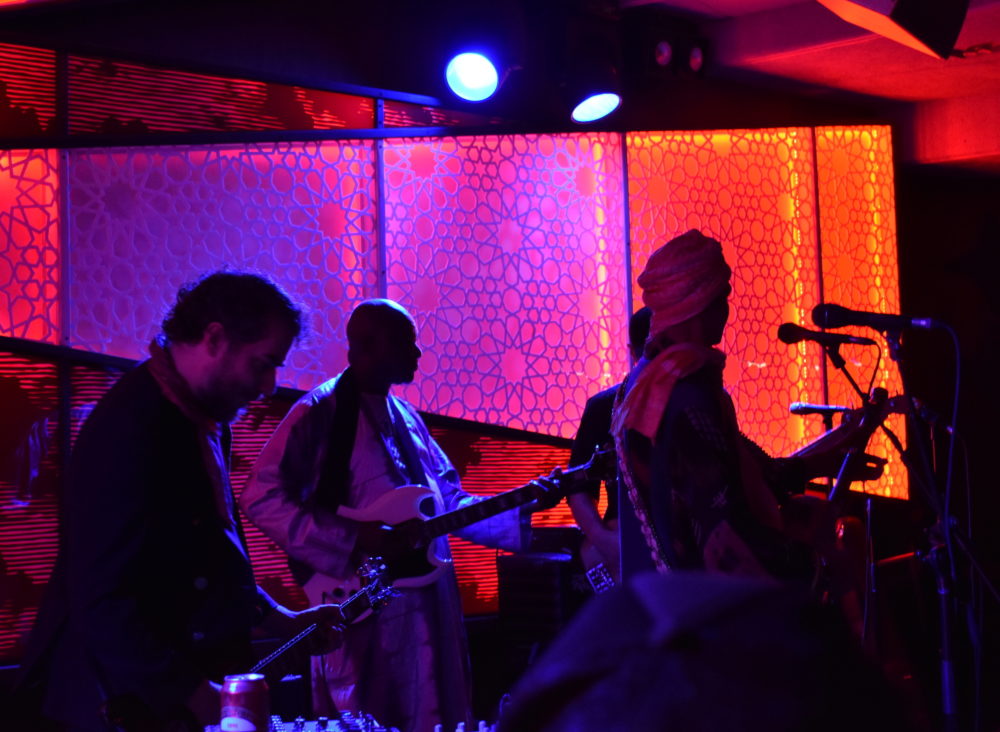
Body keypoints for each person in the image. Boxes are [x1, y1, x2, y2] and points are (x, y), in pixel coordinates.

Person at [17, 271, 342, 732]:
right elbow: (101, 598)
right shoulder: (130, 425)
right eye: (264, 363)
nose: (270, 385)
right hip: (122, 703)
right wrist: (189, 692)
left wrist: (283, 619)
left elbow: (211, 556)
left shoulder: (204, 419)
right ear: (215, 339)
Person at [240, 299, 551, 732]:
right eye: (405, 342)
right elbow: (261, 498)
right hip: (362, 606)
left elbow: (447, 502)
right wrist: (355, 538)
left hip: (429, 604)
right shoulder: (318, 413)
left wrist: (522, 505)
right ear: (364, 347)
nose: (417, 353)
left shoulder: (407, 417)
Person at [612, 229, 882, 585]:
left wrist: (828, 456)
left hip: (658, 598)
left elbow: (742, 470)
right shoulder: (686, 394)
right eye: (722, 297)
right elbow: (725, 527)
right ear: (699, 302)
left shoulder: (646, 381)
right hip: (702, 607)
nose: (727, 310)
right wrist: (816, 563)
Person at [567, 307, 651, 592]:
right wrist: (605, 542)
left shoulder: (692, 402)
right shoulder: (603, 407)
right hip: (621, 538)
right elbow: (577, 487)